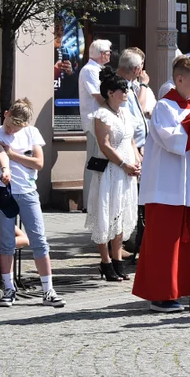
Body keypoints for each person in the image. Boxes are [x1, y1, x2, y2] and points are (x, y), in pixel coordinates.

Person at [134, 57, 190, 313]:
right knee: (166, 243)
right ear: (179, 79)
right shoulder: (164, 106)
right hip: (167, 187)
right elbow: (171, 141)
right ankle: (163, 294)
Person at [0, 98, 65, 307]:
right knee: (6, 243)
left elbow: (39, 163)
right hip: (5, 191)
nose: (11, 131)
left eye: (17, 128)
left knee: (39, 239)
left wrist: (14, 154)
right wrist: (5, 169)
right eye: (10, 125)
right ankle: (8, 289)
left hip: (28, 191)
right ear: (6, 114)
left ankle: (48, 290)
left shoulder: (31, 132)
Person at [85, 67, 141, 282]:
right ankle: (105, 261)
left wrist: (137, 162)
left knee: (121, 214)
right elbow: (105, 145)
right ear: (110, 92)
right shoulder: (102, 114)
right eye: (122, 90)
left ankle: (117, 260)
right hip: (110, 170)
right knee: (106, 214)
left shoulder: (125, 113)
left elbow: (132, 141)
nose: (126, 93)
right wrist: (124, 163)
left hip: (127, 172)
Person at [78, 40, 112, 207]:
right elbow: (98, 96)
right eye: (108, 51)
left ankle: (95, 201)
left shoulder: (99, 70)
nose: (110, 54)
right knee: (93, 160)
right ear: (100, 53)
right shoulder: (90, 70)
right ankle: (88, 203)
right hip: (93, 121)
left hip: (100, 121)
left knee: (99, 159)